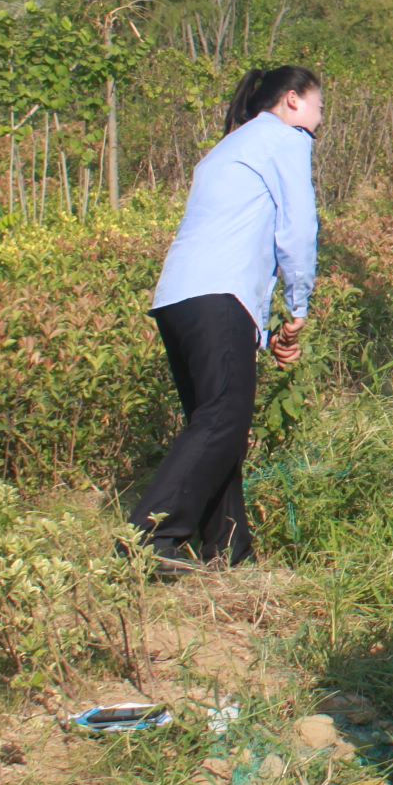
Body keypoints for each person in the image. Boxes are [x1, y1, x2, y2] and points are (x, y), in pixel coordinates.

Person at [131, 66, 322, 577]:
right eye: (318, 104)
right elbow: (298, 229)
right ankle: (147, 541)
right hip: (219, 296)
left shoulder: (228, 147)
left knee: (218, 425)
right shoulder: (284, 139)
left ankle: (230, 556)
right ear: (292, 101)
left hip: (178, 299)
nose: (321, 116)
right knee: (223, 421)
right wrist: (297, 308)